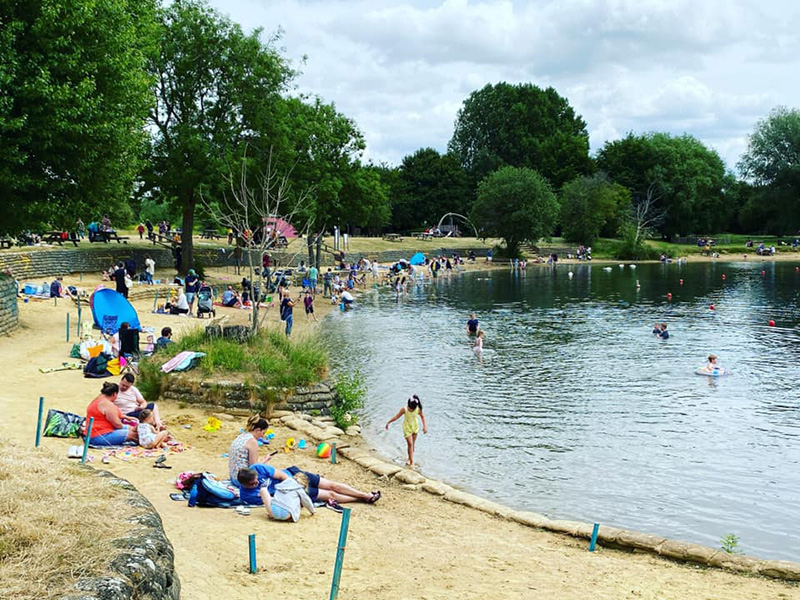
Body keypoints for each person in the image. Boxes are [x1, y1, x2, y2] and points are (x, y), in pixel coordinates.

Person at [84, 382, 138, 446]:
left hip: (94, 433)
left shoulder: (98, 399)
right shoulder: (107, 404)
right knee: (132, 434)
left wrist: (126, 418)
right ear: (114, 394)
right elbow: (117, 424)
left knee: (131, 428)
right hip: (99, 436)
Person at [385, 395, 427, 467]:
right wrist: (389, 422)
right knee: (410, 444)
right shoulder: (404, 409)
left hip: (415, 427)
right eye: (410, 409)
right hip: (407, 428)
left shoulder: (418, 409)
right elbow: (397, 416)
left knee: (412, 445)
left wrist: (424, 426)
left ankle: (409, 459)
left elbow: (422, 417)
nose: (411, 410)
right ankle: (411, 462)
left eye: (412, 409)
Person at [228, 415, 271, 482]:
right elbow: (254, 467)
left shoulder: (241, 436)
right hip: (243, 481)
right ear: (258, 430)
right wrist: (265, 460)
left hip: (233, 477)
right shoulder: (252, 441)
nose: (263, 436)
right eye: (263, 433)